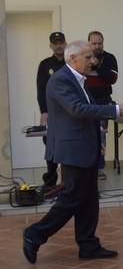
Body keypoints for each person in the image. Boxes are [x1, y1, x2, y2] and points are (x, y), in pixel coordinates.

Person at [22, 41, 123, 264]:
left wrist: (105, 124)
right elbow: (77, 109)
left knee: (89, 198)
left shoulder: (78, 80)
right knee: (72, 197)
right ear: (72, 59)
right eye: (88, 57)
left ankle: (88, 244)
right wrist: (113, 110)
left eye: (92, 57)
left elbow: (89, 111)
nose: (93, 61)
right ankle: (35, 233)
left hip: (86, 147)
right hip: (73, 149)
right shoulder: (60, 80)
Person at [35, 31, 66, 191]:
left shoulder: (72, 62)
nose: (59, 45)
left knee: (68, 145)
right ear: (51, 45)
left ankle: (68, 182)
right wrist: (44, 111)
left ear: (65, 44)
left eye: (61, 42)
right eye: (55, 43)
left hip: (69, 112)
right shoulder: (45, 64)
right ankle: (50, 182)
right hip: (51, 113)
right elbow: (41, 89)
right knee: (51, 145)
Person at [86, 31, 118, 179]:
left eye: (100, 43)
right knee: (86, 136)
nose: (97, 46)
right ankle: (87, 168)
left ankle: (99, 168)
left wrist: (98, 66)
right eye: (94, 43)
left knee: (101, 136)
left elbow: (112, 78)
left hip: (103, 102)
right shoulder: (83, 57)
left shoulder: (109, 58)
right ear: (89, 43)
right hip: (85, 103)